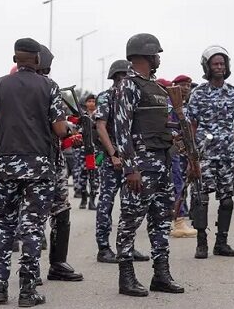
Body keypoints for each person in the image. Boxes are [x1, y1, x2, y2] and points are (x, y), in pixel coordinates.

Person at [0, 38, 69, 306]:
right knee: (32, 228)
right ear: (38, 60)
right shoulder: (49, 86)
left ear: (15, 59)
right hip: (40, 169)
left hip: (6, 167)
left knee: (5, 225)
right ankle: (28, 292)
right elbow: (60, 130)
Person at [114, 33, 184, 297]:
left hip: (162, 162)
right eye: (156, 54)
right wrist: (131, 168)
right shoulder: (128, 86)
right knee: (130, 221)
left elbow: (162, 124)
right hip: (141, 166)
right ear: (145, 55)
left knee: (161, 220)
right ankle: (126, 276)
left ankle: (161, 274)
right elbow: (122, 130)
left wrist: (176, 137)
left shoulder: (156, 88)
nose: (158, 59)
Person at [187, 45, 234, 259]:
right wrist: (191, 157)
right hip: (204, 154)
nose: (219, 67)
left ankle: (222, 242)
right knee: (201, 198)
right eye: (215, 64)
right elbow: (191, 126)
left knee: (227, 200)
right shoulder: (198, 94)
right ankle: (201, 242)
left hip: (228, 154)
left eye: (222, 63)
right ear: (207, 67)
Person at [35, 44, 83, 283]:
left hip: (51, 161)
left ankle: (56, 264)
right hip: (38, 164)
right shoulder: (42, 88)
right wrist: (71, 129)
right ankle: (34, 270)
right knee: (35, 215)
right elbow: (60, 127)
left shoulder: (46, 88)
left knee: (61, 210)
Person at [95, 59, 149, 263]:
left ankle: (127, 246)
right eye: (126, 76)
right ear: (118, 77)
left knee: (131, 205)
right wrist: (113, 154)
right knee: (106, 202)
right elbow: (100, 126)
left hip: (131, 160)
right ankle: (103, 247)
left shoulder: (133, 96)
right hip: (113, 160)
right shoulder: (106, 97)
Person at [169, 74, 196, 238]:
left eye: (188, 85)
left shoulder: (188, 105)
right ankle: (178, 220)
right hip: (174, 150)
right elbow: (169, 128)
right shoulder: (170, 104)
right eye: (183, 85)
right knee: (176, 182)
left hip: (186, 151)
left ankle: (182, 215)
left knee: (184, 183)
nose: (186, 88)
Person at [72, 94, 100, 210]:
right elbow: (74, 130)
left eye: (94, 101)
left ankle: (92, 200)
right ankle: (84, 198)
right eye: (89, 101)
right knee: (83, 176)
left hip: (96, 150)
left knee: (95, 176)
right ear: (86, 103)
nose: (91, 103)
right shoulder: (80, 116)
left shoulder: (99, 115)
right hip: (83, 150)